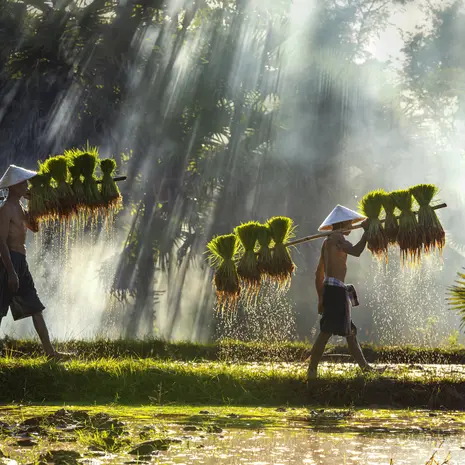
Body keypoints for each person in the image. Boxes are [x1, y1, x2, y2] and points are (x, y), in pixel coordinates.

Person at [0, 165, 68, 360]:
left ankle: (50, 353)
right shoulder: (5, 210)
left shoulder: (20, 208)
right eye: (23, 183)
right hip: (8, 263)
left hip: (21, 261)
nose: (27, 185)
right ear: (13, 186)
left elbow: (35, 227)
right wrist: (11, 271)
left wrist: (34, 204)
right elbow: (1, 242)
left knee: (35, 307)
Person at [307, 204, 381, 380]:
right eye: (349, 223)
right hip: (335, 291)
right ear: (342, 223)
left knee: (350, 332)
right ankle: (311, 371)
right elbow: (356, 251)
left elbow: (319, 273)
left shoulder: (328, 241)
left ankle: (365, 368)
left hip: (334, 290)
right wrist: (366, 232)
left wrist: (320, 298)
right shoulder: (337, 238)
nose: (350, 226)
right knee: (325, 332)